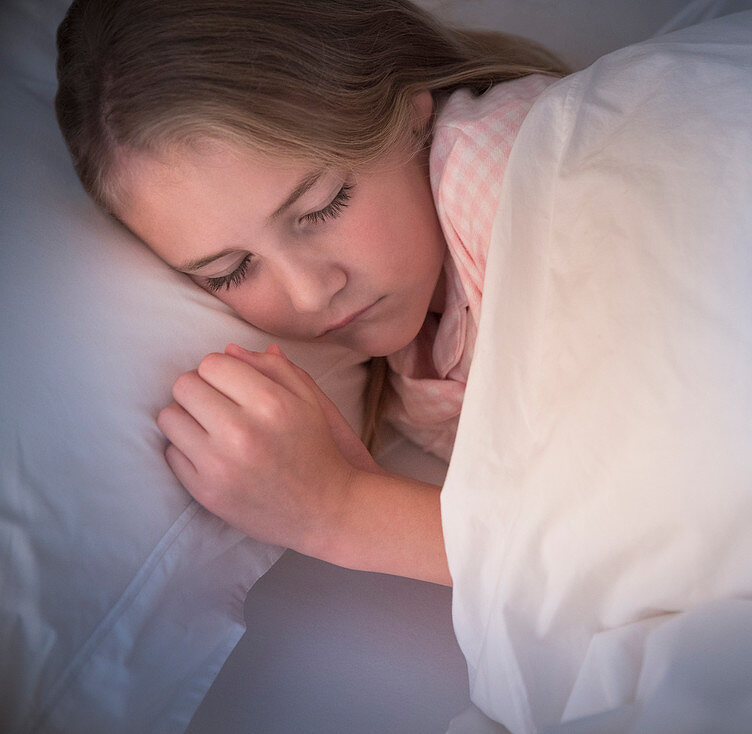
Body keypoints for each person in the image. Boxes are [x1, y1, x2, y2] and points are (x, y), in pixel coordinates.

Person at [54, 0, 568, 586]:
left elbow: (641, 546)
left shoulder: (522, 174)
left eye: (323, 206)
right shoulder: (409, 355)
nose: (307, 294)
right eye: (229, 271)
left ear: (406, 106)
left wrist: (339, 511)